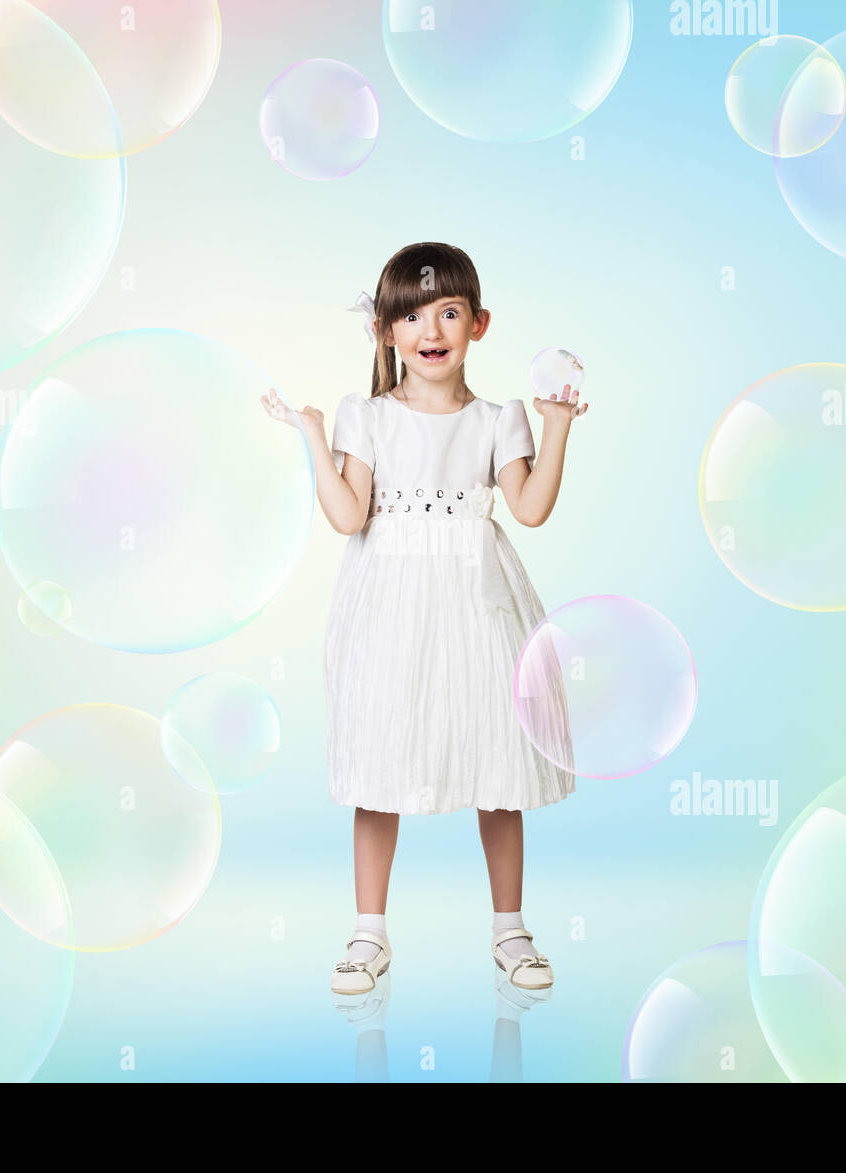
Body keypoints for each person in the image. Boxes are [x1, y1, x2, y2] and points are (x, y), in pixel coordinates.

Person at [261, 241, 587, 996]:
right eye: (411, 314)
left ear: (479, 323)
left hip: (479, 599)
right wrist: (314, 436)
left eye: (448, 311)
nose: (430, 327)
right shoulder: (366, 416)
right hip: (393, 604)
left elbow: (531, 508)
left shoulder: (500, 419)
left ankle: (510, 928)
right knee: (381, 767)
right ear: (385, 330)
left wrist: (559, 423)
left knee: (498, 767)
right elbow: (349, 514)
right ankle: (367, 933)